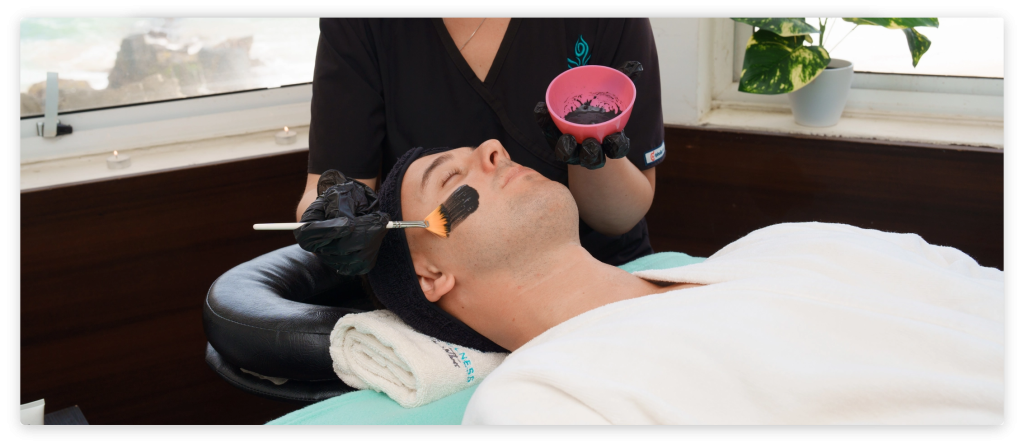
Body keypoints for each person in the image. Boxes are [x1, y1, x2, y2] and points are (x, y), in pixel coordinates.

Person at [364, 141, 1004, 424]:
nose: (494, 148)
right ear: (431, 274)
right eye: (451, 179)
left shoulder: (784, 242)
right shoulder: (544, 398)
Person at [297, 18, 665, 271]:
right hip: (457, 295)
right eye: (448, 175)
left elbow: (623, 216)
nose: (495, 152)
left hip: (598, 269)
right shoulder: (362, 26)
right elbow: (333, 188)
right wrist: (333, 222)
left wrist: (592, 156)